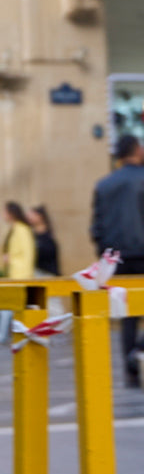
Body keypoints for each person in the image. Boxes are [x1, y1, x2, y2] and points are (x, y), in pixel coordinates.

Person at [91, 134, 144, 387]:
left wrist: (105, 255)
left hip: (117, 258)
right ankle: (139, 352)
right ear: (137, 150)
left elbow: (97, 226)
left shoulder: (104, 185)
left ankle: (131, 369)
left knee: (127, 314)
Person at [0, 201, 36, 344]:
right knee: (11, 309)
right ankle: (4, 335)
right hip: (15, 273)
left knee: (11, 308)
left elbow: (28, 254)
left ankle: (2, 336)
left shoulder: (22, 229)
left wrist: (24, 273)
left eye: (4, 212)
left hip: (20, 274)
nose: (2, 215)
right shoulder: (16, 229)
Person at [29, 205, 60, 277]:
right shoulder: (32, 235)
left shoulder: (47, 237)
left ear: (40, 216)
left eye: (32, 215)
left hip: (47, 273)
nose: (29, 218)